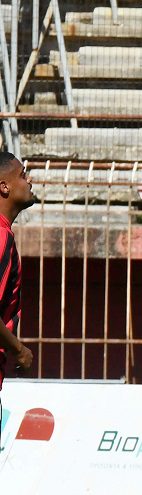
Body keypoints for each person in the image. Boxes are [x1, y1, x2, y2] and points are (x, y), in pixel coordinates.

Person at [0, 152, 36, 409]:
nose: (29, 180)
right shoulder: (1, 237)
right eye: (23, 175)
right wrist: (20, 351)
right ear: (4, 186)